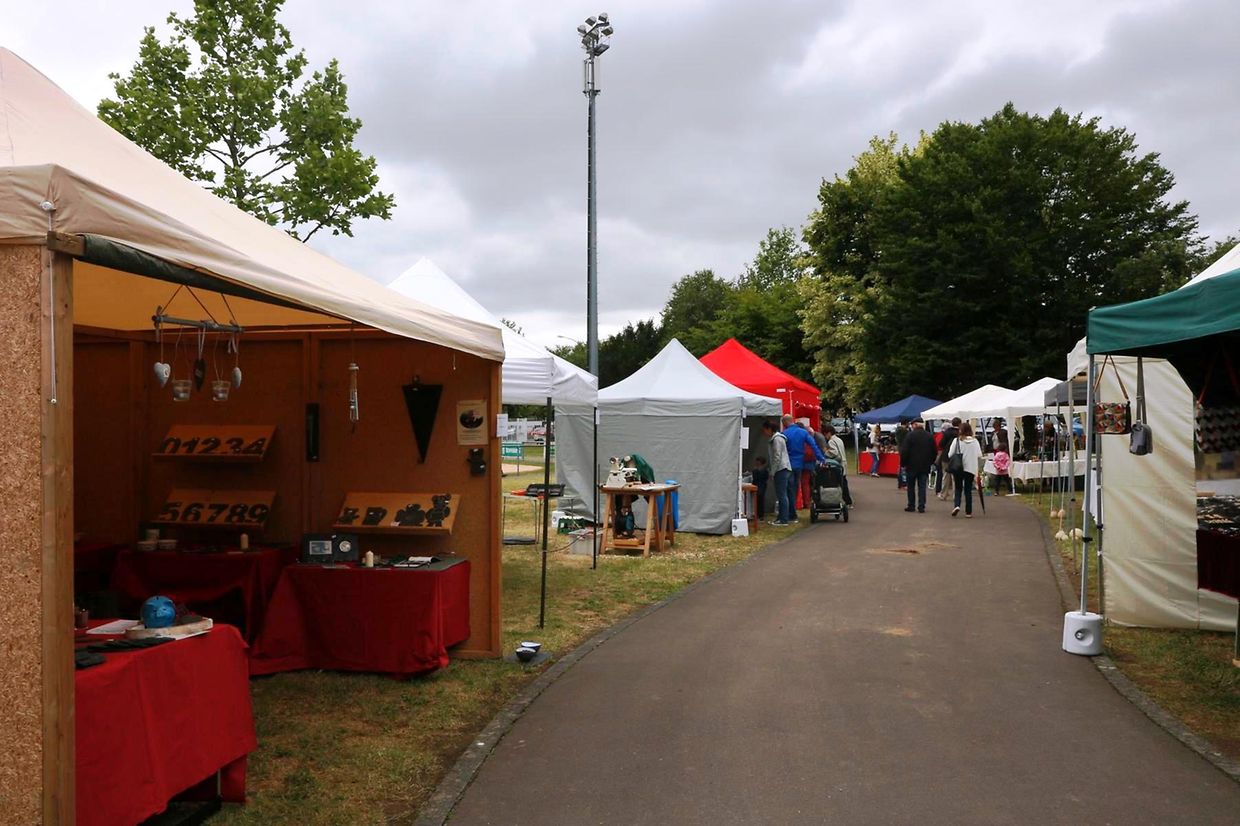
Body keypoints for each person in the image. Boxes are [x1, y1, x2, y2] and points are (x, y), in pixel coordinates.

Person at [783, 414, 826, 522]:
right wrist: (821, 458)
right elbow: (813, 446)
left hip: (788, 464)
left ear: (785, 423)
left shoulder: (784, 433)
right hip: (799, 464)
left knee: (789, 489)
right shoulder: (803, 432)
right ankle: (793, 512)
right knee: (796, 487)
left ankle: (791, 514)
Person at [899, 417, 937, 513]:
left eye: (912, 425)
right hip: (924, 465)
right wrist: (930, 462)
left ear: (915, 425)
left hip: (911, 465)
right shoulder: (929, 436)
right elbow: (934, 451)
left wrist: (903, 463)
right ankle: (921, 506)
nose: (911, 427)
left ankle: (911, 505)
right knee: (922, 486)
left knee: (911, 486)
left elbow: (905, 451)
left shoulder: (910, 436)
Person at [948, 421, 984, 517]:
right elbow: (979, 454)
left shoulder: (957, 441)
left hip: (958, 467)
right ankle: (968, 512)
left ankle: (957, 505)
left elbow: (950, 454)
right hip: (971, 468)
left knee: (958, 488)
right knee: (968, 490)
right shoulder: (975, 441)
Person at [763, 419, 791, 526]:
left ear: (770, 429)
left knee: (782, 495)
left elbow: (777, 456)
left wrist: (772, 472)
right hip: (782, 468)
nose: (764, 432)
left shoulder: (777, 439)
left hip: (781, 469)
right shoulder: (777, 438)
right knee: (781, 494)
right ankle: (781, 517)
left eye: (765, 430)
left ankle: (784, 519)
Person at [822, 424, 853, 507]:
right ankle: (848, 501)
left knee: (840, 483)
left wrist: (825, 452)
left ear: (829, 433)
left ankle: (845, 500)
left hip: (838, 465)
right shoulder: (839, 439)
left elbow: (834, 452)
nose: (825, 437)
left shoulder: (831, 441)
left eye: (825, 434)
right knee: (844, 482)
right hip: (843, 462)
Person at [936, 417, 960, 500]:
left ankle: (944, 494)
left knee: (946, 476)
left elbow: (941, 444)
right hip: (957, 456)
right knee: (955, 477)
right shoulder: (960, 433)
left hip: (946, 456)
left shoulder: (947, 432)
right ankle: (956, 495)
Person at [894, 419, 910, 488]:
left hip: (900, 449)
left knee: (901, 466)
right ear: (906, 423)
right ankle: (904, 483)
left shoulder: (897, 431)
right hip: (904, 450)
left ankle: (900, 483)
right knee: (904, 467)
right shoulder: (905, 431)